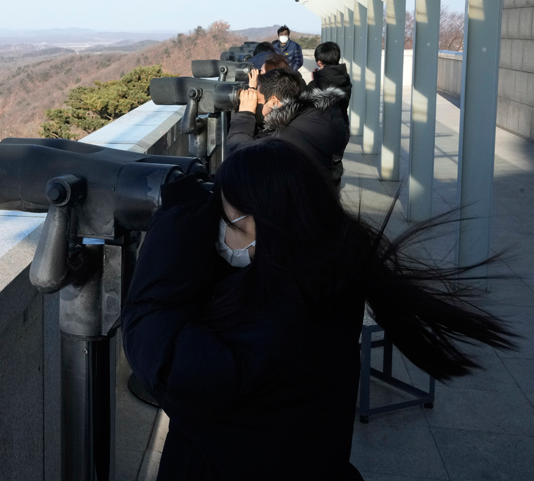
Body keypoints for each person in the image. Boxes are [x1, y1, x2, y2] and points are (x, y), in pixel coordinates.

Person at [122, 138, 517, 481]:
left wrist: (173, 228)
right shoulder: (320, 271)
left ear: (268, 224)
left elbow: (168, 364)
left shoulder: (284, 313)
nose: (222, 236)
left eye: (229, 223)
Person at [226, 68, 349, 190]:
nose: (256, 106)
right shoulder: (311, 121)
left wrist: (245, 115)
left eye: (258, 101)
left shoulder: (282, 140)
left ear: (274, 102)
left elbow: (241, 165)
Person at [308, 41, 352, 112]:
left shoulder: (317, 84)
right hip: (341, 121)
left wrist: (315, 81)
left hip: (321, 122)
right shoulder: (344, 78)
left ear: (319, 62)